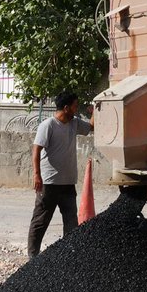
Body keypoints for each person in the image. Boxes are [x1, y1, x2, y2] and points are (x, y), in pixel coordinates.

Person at [27, 90, 93, 257]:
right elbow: (36, 150)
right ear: (66, 108)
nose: (76, 109)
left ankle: (68, 256)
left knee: (71, 222)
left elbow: (91, 127)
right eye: (75, 106)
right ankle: (32, 257)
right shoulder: (48, 125)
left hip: (68, 183)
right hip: (49, 183)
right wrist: (37, 175)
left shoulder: (74, 123)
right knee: (40, 221)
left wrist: (96, 112)